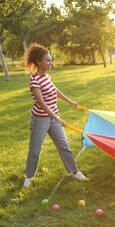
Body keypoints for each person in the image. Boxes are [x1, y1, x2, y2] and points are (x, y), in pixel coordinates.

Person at [23, 44, 88, 188]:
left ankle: (74, 171)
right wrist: (58, 118)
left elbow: (55, 90)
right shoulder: (35, 81)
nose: (50, 63)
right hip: (40, 120)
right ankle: (28, 177)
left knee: (64, 146)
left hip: (54, 118)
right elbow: (41, 103)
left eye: (51, 60)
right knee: (35, 150)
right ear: (39, 62)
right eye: (48, 60)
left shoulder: (47, 77)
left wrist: (70, 101)